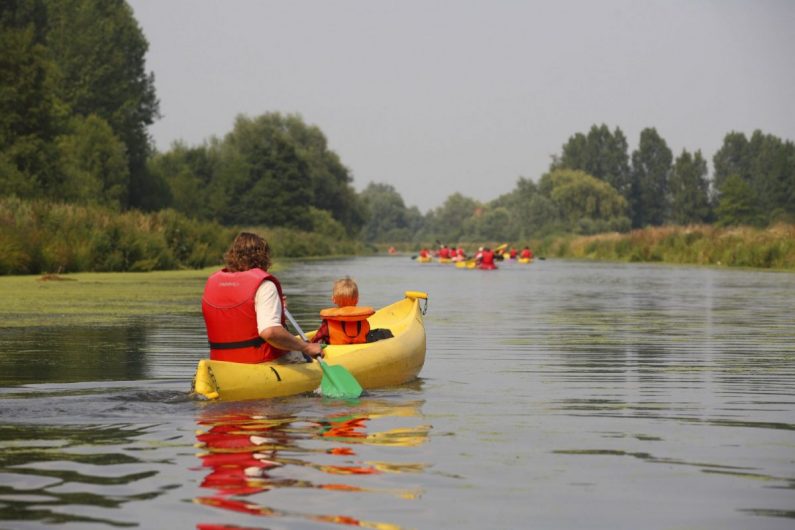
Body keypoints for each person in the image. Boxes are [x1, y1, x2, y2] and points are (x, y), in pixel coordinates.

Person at [202, 232, 323, 364]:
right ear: (263, 257)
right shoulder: (264, 286)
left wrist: (277, 308)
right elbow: (270, 332)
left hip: (220, 364)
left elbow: (239, 316)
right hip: (261, 362)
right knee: (306, 356)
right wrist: (306, 347)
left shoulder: (213, 283)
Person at [312, 277, 374, 345]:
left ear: (333, 299)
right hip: (359, 352)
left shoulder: (327, 323)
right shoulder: (363, 321)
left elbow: (316, 340)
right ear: (357, 300)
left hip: (335, 353)